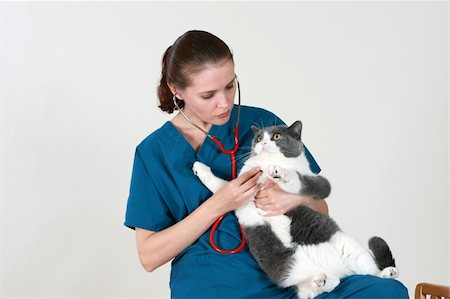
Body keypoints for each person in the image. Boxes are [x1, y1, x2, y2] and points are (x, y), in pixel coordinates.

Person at [124, 30, 408, 298]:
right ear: (177, 90)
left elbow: (321, 208)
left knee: (387, 292)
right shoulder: (153, 153)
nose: (224, 103)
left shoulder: (263, 125)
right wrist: (219, 204)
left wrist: (293, 200)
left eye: (230, 86)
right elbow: (149, 256)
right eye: (208, 95)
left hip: (297, 275)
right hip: (217, 286)